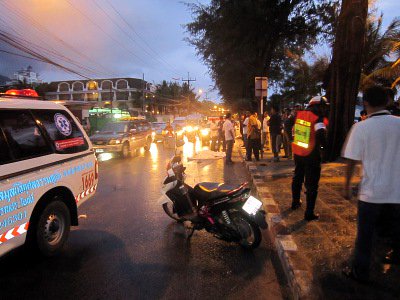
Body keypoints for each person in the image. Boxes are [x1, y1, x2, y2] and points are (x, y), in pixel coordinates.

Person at [342, 85, 400, 283]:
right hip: (397, 193)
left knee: (365, 237)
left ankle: (360, 272)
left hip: (371, 195)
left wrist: (346, 186)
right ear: (387, 101)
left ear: (365, 103)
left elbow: (351, 160)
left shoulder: (361, 127)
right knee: (397, 231)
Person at [291, 96, 328, 221]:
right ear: (318, 106)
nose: (324, 109)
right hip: (312, 154)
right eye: (323, 106)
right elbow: (320, 133)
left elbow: (290, 127)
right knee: (312, 184)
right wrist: (325, 147)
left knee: (297, 177)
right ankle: (309, 213)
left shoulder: (299, 115)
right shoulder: (318, 118)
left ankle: (295, 202)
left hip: (298, 152)